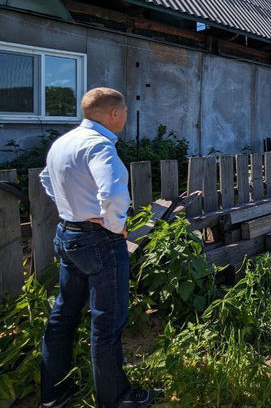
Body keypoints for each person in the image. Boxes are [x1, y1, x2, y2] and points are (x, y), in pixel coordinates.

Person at [39, 88, 158, 408]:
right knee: (107, 323)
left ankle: (54, 395)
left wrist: (70, 207)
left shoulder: (62, 143)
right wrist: (115, 223)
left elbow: (45, 180)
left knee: (63, 317)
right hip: (99, 241)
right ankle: (116, 399)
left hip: (68, 235)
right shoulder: (99, 146)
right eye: (123, 111)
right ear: (115, 114)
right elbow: (112, 193)